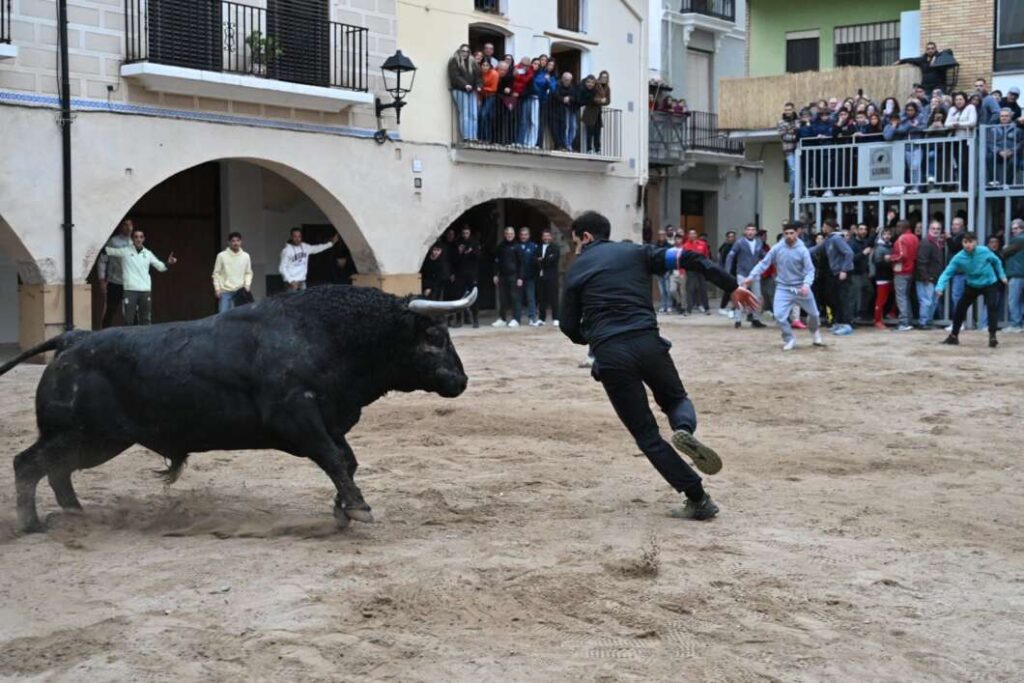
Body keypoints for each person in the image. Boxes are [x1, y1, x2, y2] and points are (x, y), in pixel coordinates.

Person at [559, 211, 759, 521]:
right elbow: (692, 259)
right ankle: (683, 429)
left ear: (585, 237)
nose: (576, 249)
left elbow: (569, 327)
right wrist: (731, 286)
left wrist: (593, 337)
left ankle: (698, 498)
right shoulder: (637, 252)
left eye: (575, 242)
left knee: (648, 436)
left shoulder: (576, 270)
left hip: (611, 354)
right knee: (676, 400)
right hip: (649, 343)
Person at [743, 222, 824, 351]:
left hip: (801, 287)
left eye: (791, 233)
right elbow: (764, 263)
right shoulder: (777, 248)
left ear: (797, 233)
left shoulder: (802, 250)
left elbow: (810, 270)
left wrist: (806, 284)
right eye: (786, 233)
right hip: (783, 287)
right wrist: (751, 276)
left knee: (814, 314)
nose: (789, 236)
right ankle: (789, 339)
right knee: (780, 316)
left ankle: (815, 333)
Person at [936, 232, 1008, 348]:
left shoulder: (984, 251)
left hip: (989, 282)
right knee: (960, 308)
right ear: (962, 243)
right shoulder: (959, 257)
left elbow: (996, 261)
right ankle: (954, 336)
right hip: (972, 285)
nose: (967, 245)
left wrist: (1002, 275)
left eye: (970, 242)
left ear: (975, 242)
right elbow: (947, 272)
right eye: (965, 242)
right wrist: (940, 287)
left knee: (991, 306)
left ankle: (992, 336)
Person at [103, 227, 177, 326]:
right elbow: (107, 250)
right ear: (132, 239)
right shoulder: (125, 251)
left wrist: (169, 262)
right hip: (130, 290)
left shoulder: (148, 253)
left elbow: (161, 267)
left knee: (145, 320)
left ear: (143, 239)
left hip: (145, 290)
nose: (138, 239)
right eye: (136, 237)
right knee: (129, 320)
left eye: (141, 237)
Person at [809, 220, 856, 335]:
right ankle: (838, 322)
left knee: (843, 299)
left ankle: (847, 324)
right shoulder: (829, 239)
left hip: (842, 273)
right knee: (835, 298)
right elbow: (816, 249)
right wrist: (800, 252)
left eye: (824, 226)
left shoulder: (836, 239)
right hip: (835, 274)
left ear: (830, 227)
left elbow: (849, 253)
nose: (823, 228)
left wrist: (844, 270)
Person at [725, 224, 767, 329]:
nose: (750, 232)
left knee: (757, 297)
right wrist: (726, 271)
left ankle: (755, 319)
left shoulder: (759, 242)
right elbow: (730, 256)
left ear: (756, 232)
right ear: (745, 231)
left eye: (753, 230)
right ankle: (738, 320)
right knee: (740, 297)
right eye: (748, 230)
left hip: (755, 274)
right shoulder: (739, 242)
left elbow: (763, 255)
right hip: (742, 274)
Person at [97, 218, 133, 327]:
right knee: (110, 311)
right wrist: (102, 280)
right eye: (125, 225)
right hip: (115, 283)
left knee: (131, 311)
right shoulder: (113, 242)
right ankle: (103, 334)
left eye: (130, 225)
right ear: (120, 226)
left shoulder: (134, 242)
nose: (128, 227)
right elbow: (102, 260)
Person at [888, 220, 919, 331]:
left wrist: (890, 258)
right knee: (906, 296)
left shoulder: (901, 239)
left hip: (901, 271)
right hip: (911, 270)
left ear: (903, 227)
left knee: (901, 297)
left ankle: (904, 322)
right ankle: (909, 321)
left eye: (898, 226)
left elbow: (902, 255)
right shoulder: (914, 237)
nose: (896, 228)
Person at [212, 232, 254, 313]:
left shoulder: (246, 256)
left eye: (238, 241)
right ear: (229, 242)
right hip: (225, 291)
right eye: (233, 241)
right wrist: (217, 289)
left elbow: (248, 273)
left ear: (241, 242)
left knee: (242, 316)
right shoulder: (221, 256)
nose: (236, 243)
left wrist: (247, 285)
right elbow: (216, 273)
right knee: (223, 315)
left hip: (240, 290)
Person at [448, 44, 481, 143]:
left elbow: (478, 77)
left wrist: (479, 85)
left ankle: (473, 137)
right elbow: (455, 76)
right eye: (463, 51)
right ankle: (466, 136)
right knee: (465, 114)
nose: (465, 53)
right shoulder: (454, 61)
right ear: (459, 51)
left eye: (467, 51)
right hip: (460, 90)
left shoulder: (472, 62)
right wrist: (465, 85)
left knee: (474, 115)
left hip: (471, 91)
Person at [492, 226, 523, 327]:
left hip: (514, 276)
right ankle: (502, 318)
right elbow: (496, 261)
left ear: (514, 235)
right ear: (505, 234)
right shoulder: (501, 246)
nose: (509, 235)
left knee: (515, 298)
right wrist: (495, 274)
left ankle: (516, 319)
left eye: (511, 234)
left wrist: (520, 277)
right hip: (502, 276)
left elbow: (521, 263)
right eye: (507, 234)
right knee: (502, 298)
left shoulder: (517, 247)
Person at [454, 226, 481, 328]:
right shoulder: (458, 243)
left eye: (467, 233)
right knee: (459, 297)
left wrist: (471, 252)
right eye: (464, 233)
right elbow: (454, 259)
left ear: (470, 233)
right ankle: (459, 320)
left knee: (474, 297)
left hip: (472, 273)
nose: (465, 235)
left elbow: (478, 256)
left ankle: (475, 320)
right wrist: (460, 252)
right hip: (460, 274)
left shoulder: (475, 242)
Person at [1002, 219, 1024, 333]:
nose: (1014, 231)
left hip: (1017, 274)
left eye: (1016, 228)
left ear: (1022, 228)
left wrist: (1005, 247)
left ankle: (1016, 324)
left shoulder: (1018, 240)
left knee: (1013, 301)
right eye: (1013, 229)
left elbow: (1004, 253)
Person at [849, 223, 874, 321]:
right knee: (855, 296)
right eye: (861, 229)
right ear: (856, 231)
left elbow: (871, 241)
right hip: (855, 273)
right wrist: (863, 253)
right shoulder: (852, 243)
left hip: (863, 273)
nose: (863, 231)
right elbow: (851, 259)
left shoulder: (864, 242)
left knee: (869, 291)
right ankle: (853, 317)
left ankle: (861, 313)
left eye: (865, 229)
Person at [682, 229, 710, 314]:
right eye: (690, 234)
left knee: (703, 289)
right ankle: (688, 309)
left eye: (694, 233)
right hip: (690, 270)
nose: (692, 235)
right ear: (688, 236)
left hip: (701, 269)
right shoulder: (685, 246)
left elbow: (706, 256)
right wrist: (683, 270)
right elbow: (683, 259)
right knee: (689, 289)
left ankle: (707, 308)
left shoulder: (703, 244)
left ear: (696, 235)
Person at [872, 226, 896, 329]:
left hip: (889, 276)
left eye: (889, 234)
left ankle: (889, 314)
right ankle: (877, 320)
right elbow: (877, 263)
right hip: (882, 277)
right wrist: (888, 261)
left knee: (892, 297)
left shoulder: (889, 246)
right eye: (885, 234)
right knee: (881, 300)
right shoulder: (880, 247)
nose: (887, 236)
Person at [536, 228, 560, 326]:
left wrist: (542, 260)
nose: (546, 238)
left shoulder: (555, 248)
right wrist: (543, 260)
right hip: (541, 276)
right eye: (544, 236)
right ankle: (542, 319)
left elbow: (552, 261)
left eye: (548, 236)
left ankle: (556, 318)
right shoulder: (538, 247)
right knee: (542, 298)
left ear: (551, 237)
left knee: (553, 297)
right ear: (542, 237)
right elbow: (534, 260)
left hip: (552, 276)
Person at [517, 227, 540, 325]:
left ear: (529, 235)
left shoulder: (533, 246)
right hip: (518, 277)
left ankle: (532, 317)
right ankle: (517, 318)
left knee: (531, 297)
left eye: (525, 234)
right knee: (518, 298)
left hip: (530, 276)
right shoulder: (516, 246)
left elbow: (537, 262)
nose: (523, 236)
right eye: (522, 234)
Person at [554, 72, 579, 151]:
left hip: (572, 109)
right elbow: (556, 95)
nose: (567, 81)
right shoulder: (557, 85)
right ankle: (566, 144)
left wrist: (569, 99)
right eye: (565, 79)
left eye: (568, 80)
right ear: (562, 79)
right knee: (566, 127)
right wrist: (563, 99)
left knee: (574, 127)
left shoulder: (573, 87)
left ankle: (569, 143)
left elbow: (575, 97)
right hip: (562, 109)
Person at [778, 102, 800, 197]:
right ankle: (792, 191)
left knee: (799, 170)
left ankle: (799, 190)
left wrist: (793, 134)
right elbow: (783, 135)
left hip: (798, 148)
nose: (787, 112)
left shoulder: (798, 121)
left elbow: (800, 131)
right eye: (786, 110)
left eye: (789, 109)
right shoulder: (781, 122)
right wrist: (794, 136)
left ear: (793, 110)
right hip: (788, 150)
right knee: (793, 169)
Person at [717, 230, 737, 315]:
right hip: (728, 272)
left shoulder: (736, 246)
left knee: (735, 291)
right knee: (728, 290)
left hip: (736, 271)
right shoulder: (725, 248)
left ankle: (734, 308)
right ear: (727, 238)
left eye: (733, 236)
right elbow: (721, 260)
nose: (731, 238)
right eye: (730, 237)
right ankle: (722, 307)